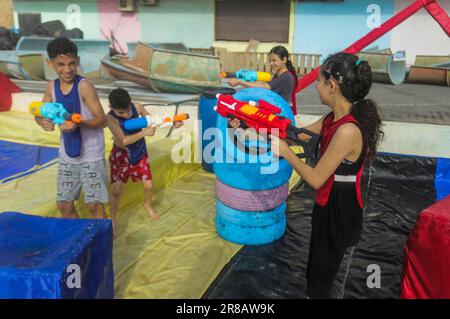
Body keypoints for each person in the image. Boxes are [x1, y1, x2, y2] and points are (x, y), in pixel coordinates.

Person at [270, 52, 384, 298]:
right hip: (327, 201)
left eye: (319, 81)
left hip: (340, 209)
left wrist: (287, 154)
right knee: (316, 268)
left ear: (332, 86)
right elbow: (296, 134)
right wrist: (255, 121)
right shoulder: (332, 118)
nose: (316, 86)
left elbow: (315, 178)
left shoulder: (347, 130)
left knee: (323, 277)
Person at [34, 37, 108, 220]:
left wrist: (78, 123)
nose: (67, 70)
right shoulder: (51, 86)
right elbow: (41, 112)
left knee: (94, 205)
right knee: (64, 205)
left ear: (78, 61)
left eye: (71, 64)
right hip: (67, 154)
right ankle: (78, 244)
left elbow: (102, 120)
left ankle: (102, 245)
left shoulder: (85, 86)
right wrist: (43, 122)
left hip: (91, 154)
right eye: (60, 64)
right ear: (50, 64)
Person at [106, 88, 183, 237]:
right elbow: (122, 141)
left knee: (148, 185)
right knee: (116, 191)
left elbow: (154, 121)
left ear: (130, 103)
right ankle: (113, 219)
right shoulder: (110, 118)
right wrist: (144, 132)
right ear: (111, 108)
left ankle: (147, 205)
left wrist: (173, 123)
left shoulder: (137, 106)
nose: (127, 114)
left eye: (128, 110)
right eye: (121, 113)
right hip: (121, 156)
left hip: (139, 153)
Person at [227, 46, 298, 115]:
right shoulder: (280, 75)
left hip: (281, 114)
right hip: (277, 110)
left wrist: (240, 82)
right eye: (270, 61)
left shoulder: (286, 77)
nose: (271, 63)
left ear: (284, 60)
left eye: (274, 60)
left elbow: (265, 87)